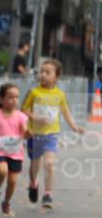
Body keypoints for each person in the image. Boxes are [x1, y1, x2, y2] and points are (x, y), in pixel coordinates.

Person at [22, 59, 85, 208]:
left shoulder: (60, 95)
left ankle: (48, 194)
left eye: (47, 72)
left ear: (56, 77)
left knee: (49, 163)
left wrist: (75, 127)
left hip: (51, 135)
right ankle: (33, 183)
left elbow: (65, 112)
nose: (43, 75)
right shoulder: (34, 92)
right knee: (35, 166)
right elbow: (23, 110)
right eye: (41, 72)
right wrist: (34, 118)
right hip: (35, 135)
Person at [0, 83, 28, 217]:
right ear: (1, 99)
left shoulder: (21, 116)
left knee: (12, 181)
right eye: (10, 97)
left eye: (16, 97)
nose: (14, 100)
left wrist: (29, 133)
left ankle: (6, 201)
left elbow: (25, 131)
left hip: (16, 152)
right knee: (2, 170)